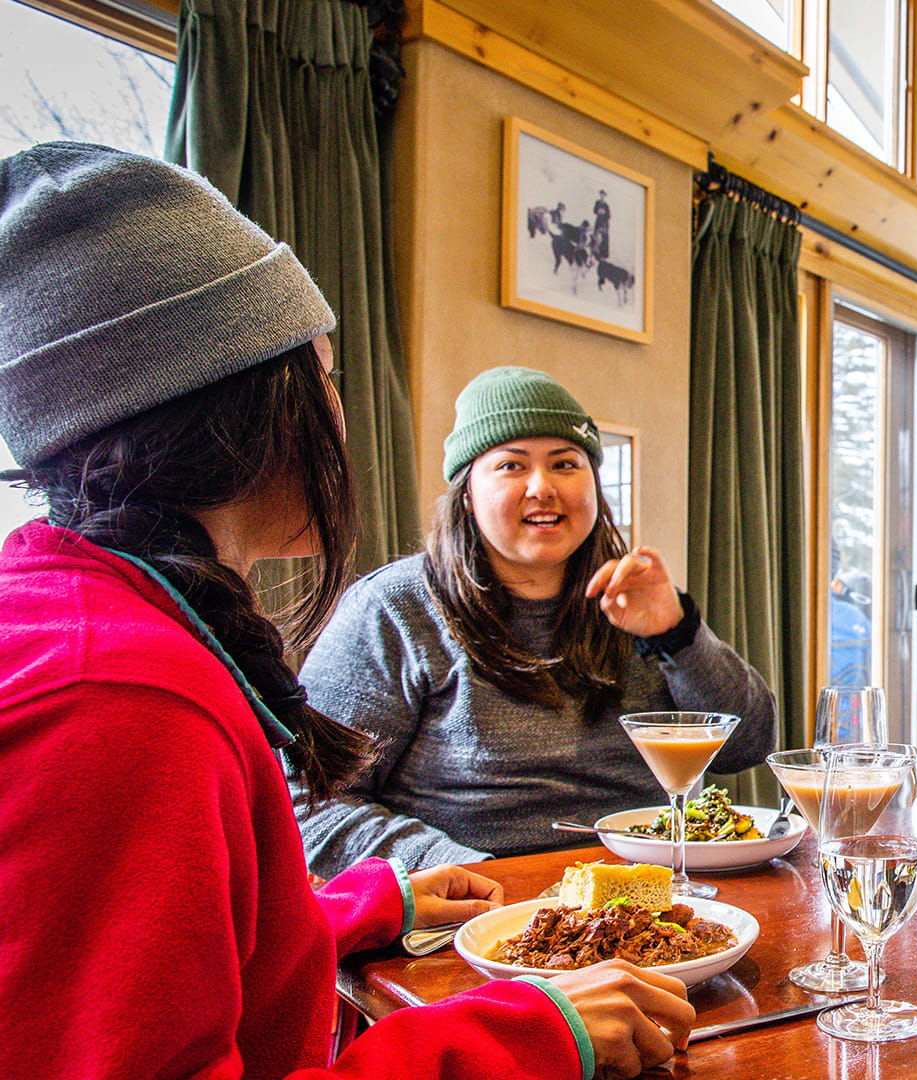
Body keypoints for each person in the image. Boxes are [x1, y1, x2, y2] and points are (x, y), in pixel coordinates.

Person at [0, 143, 692, 1078]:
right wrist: (528, 1033)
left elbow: (183, 956)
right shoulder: (118, 702)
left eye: (567, 464)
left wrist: (364, 906)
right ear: (250, 406)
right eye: (324, 376)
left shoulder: (113, 627)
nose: (341, 412)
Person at [295, 365, 778, 875]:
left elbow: (746, 746)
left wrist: (678, 635)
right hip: (474, 910)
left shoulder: (634, 596)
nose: (542, 488)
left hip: (656, 896)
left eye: (566, 464)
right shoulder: (393, 609)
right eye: (511, 466)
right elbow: (309, 805)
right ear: (466, 492)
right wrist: (467, 875)